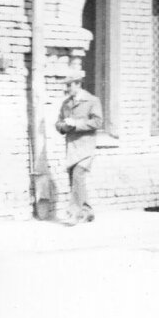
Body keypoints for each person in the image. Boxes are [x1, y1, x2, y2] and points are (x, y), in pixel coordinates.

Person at [55, 74, 103, 224]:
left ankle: (74, 213)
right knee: (75, 180)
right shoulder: (66, 104)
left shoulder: (92, 101)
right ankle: (87, 211)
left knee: (77, 176)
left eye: (69, 85)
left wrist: (76, 124)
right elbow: (58, 123)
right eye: (66, 85)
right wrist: (64, 126)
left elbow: (97, 122)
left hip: (86, 146)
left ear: (77, 84)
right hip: (72, 147)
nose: (67, 88)